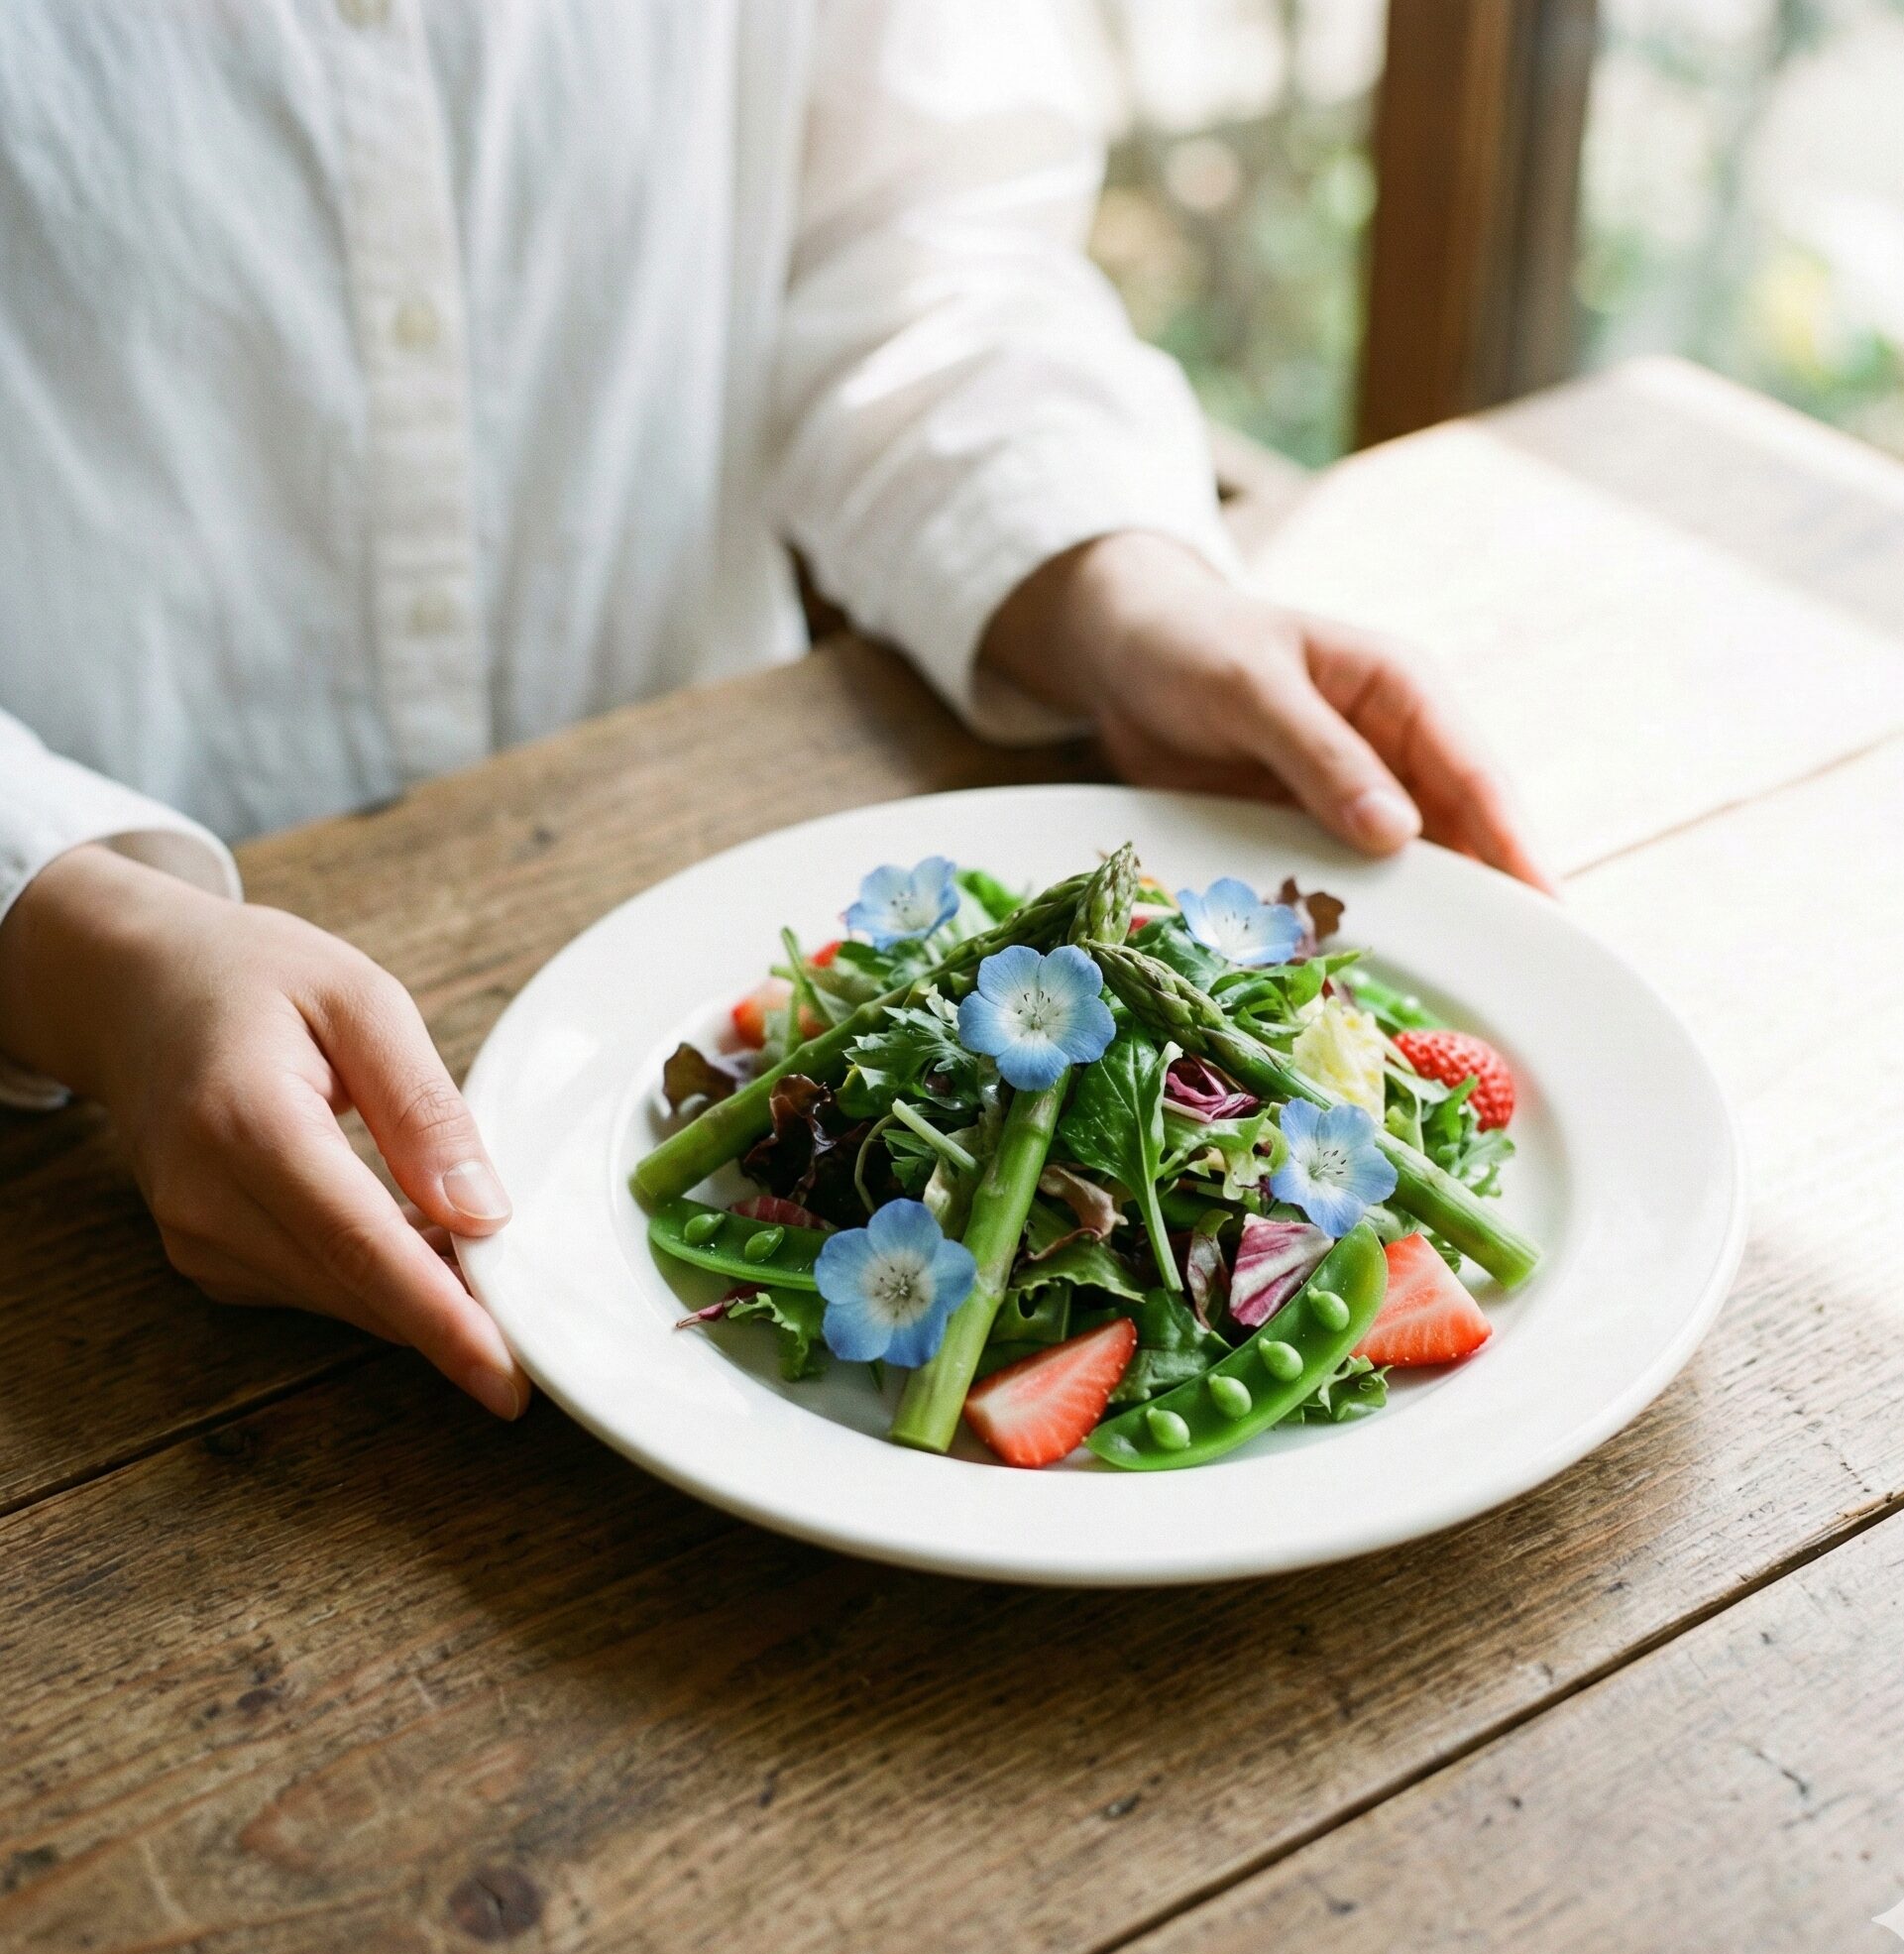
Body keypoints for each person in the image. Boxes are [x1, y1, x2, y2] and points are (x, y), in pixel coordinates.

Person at [0, 1, 1548, 1423]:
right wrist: (73, 933)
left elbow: (920, 244)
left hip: (713, 811)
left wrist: (1108, 584)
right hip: (77, 1091)